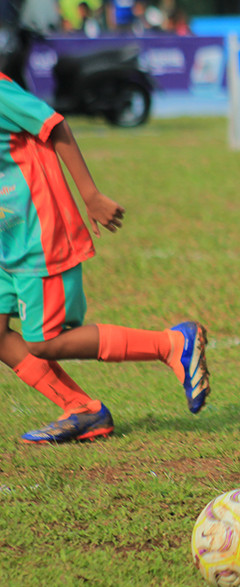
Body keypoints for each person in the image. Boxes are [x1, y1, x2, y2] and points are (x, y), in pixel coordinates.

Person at [0, 71, 211, 443]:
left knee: (44, 341)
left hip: (38, 229)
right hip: (6, 236)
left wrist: (90, 194)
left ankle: (171, 344)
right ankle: (83, 411)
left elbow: (54, 124)